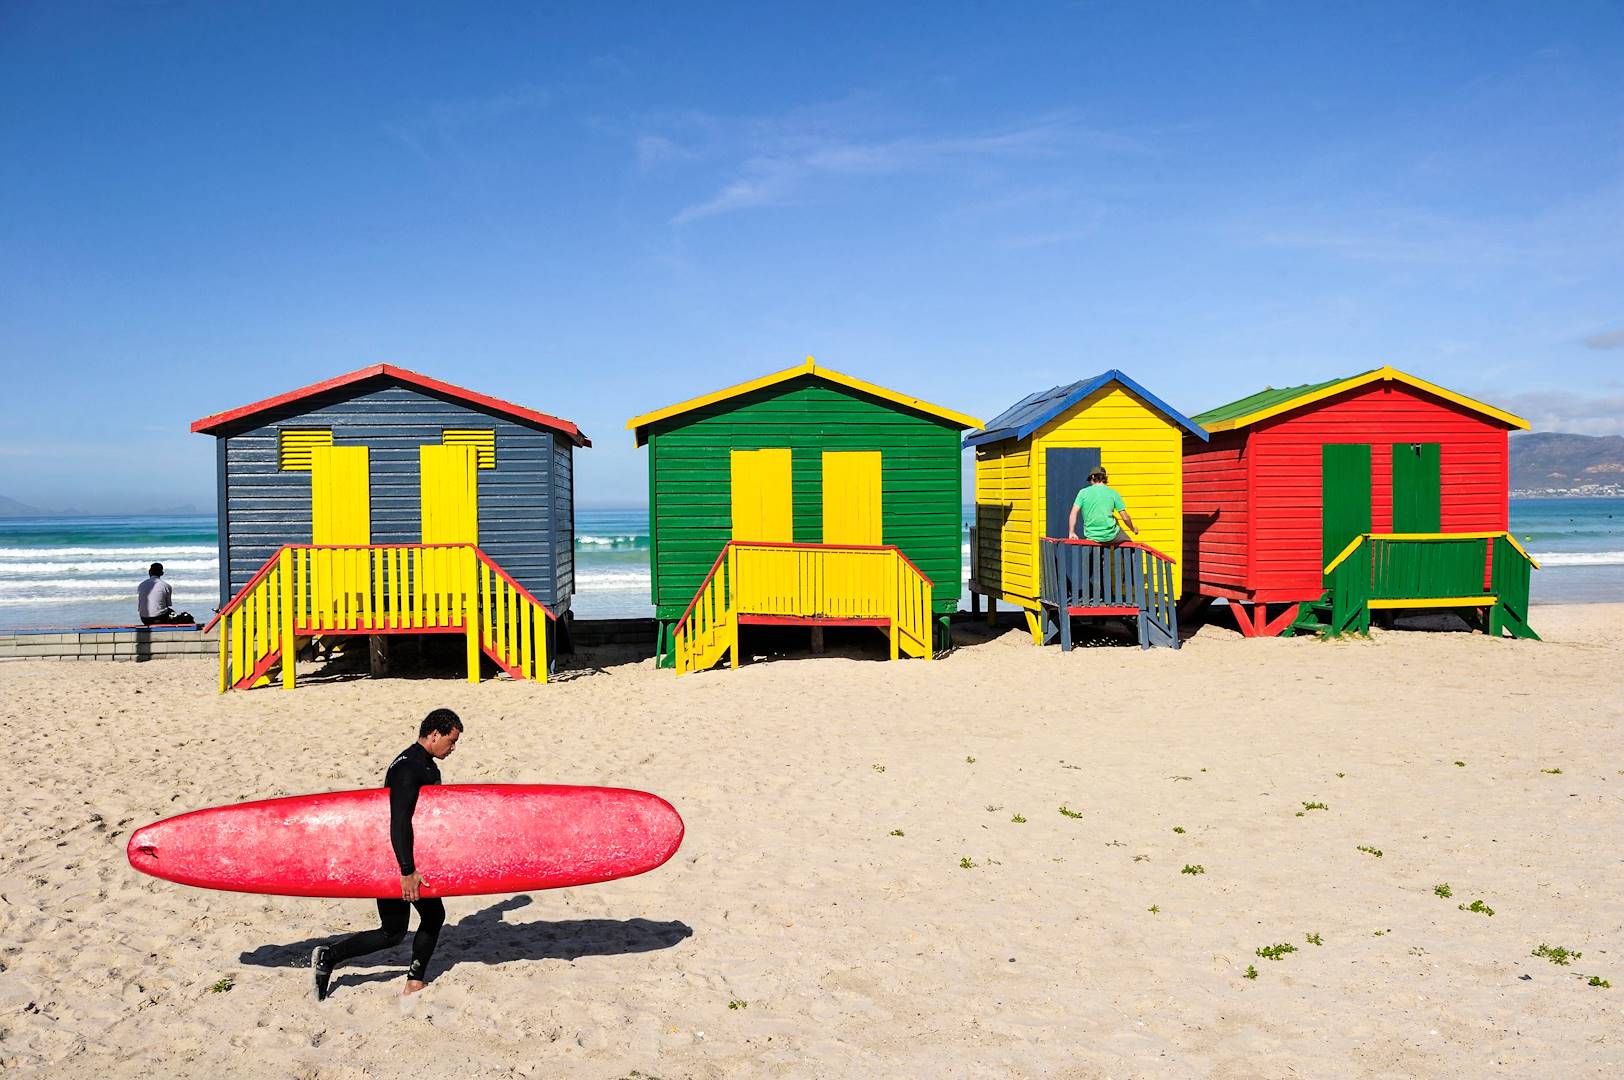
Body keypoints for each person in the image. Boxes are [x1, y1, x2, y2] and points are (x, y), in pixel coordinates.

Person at [312, 709, 464, 1000]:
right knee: (416, 922)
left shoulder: (421, 762)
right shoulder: (409, 768)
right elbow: (399, 820)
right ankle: (336, 958)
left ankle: (334, 958)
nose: (453, 748)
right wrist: (407, 871)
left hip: (401, 855)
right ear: (434, 734)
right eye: (451, 740)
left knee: (398, 929)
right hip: (398, 858)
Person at [1067, 468, 1136, 545]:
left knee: (1097, 552)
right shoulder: (1113, 493)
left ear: (1093, 477)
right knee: (1129, 545)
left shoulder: (1082, 493)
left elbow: (1073, 513)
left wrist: (1071, 532)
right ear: (1104, 478)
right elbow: (1125, 517)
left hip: (1092, 536)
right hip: (1111, 535)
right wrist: (1132, 528)